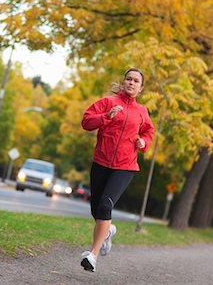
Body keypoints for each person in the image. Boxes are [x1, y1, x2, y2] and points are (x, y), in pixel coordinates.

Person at [80, 68, 155, 272]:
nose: (131, 82)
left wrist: (143, 142)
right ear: (123, 82)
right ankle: (109, 231)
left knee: (105, 206)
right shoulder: (108, 102)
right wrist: (106, 117)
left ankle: (92, 255)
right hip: (101, 162)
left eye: (136, 81)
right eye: (128, 79)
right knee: (97, 210)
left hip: (125, 166)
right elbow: (86, 121)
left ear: (141, 87)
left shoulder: (142, 111)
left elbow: (148, 131)